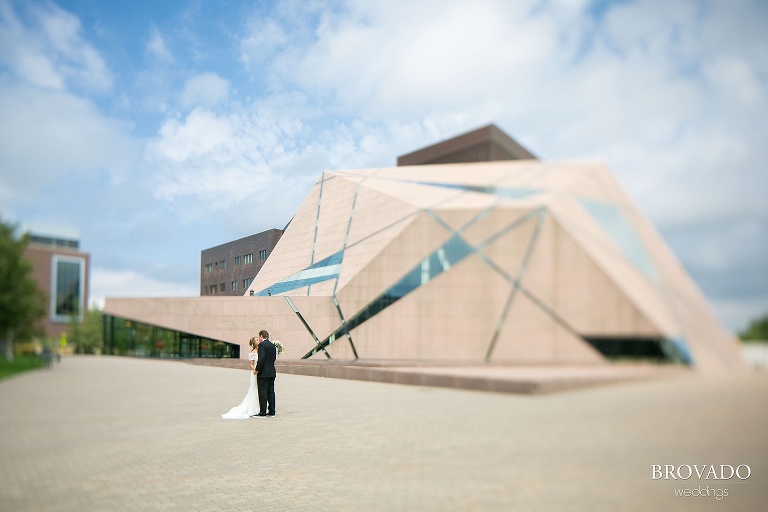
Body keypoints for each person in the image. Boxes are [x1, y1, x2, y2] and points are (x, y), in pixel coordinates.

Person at [221, 337, 260, 419]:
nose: (258, 340)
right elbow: (251, 364)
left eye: (258, 339)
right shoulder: (252, 353)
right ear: (254, 343)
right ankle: (253, 408)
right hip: (255, 373)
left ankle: (260, 407)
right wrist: (255, 370)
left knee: (260, 390)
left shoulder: (262, 350)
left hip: (261, 373)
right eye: (256, 340)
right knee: (254, 389)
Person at [253, 329, 277, 417]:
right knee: (271, 392)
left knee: (262, 392)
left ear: (261, 336)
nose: (258, 339)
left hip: (263, 373)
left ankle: (262, 412)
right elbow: (274, 358)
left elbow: (261, 359)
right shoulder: (273, 346)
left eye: (259, 337)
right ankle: (272, 411)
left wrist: (257, 369)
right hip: (272, 371)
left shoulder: (262, 345)